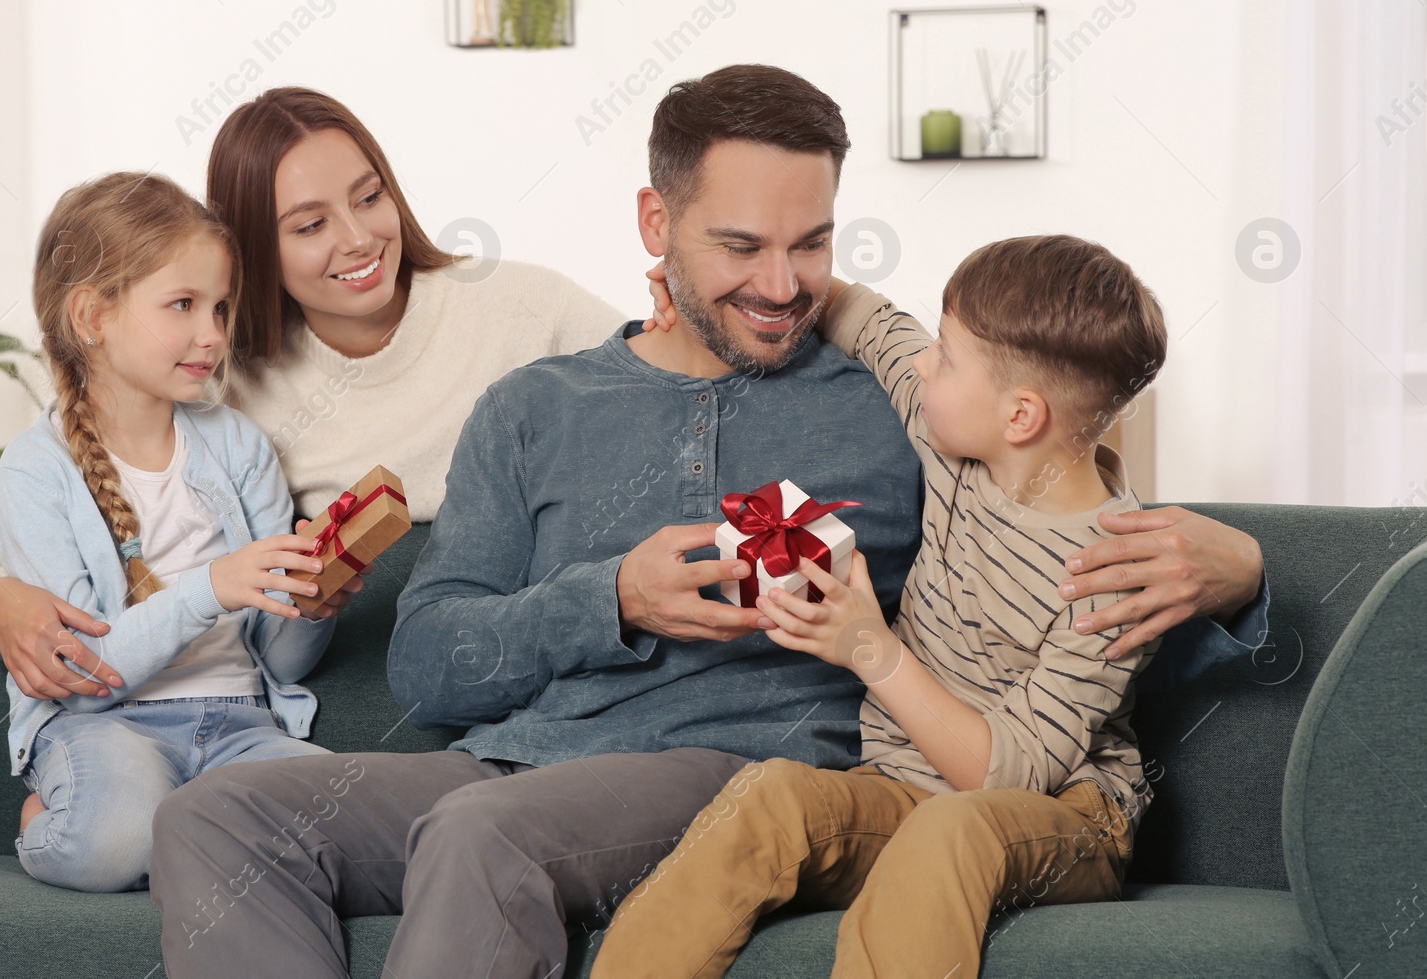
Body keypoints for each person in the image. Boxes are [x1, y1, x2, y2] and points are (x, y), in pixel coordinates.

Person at [145, 65, 1263, 978]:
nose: (784, 284)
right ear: (655, 220)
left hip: (743, 770)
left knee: (485, 836)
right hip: (510, 767)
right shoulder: (535, 406)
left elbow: (1048, 511)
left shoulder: (897, 406)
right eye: (740, 247)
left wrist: (1235, 566)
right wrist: (608, 599)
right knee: (217, 814)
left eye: (812, 243)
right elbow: (432, 665)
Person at [593, 234, 1171, 978]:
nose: (924, 359)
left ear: (1021, 416)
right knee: (770, 795)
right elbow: (859, 313)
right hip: (903, 790)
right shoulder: (952, 435)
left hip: (1064, 817)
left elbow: (1007, 775)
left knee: (951, 828)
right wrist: (707, 293)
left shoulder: (1115, 574)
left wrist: (870, 649)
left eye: (947, 354)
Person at [0, 87, 624, 702]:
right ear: (250, 251)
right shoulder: (223, 384)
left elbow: (672, 382)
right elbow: (89, 522)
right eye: (310, 226)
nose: (360, 237)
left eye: (369, 197)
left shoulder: (527, 309)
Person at [0, 172, 334, 892]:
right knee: (109, 836)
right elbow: (85, 680)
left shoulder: (237, 444)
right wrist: (210, 587)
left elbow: (286, 661)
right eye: (182, 305)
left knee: (348, 821)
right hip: (106, 727)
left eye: (220, 306)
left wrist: (314, 601)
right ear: (92, 315)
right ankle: (47, 819)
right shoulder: (35, 469)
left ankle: (186, 834)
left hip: (240, 724)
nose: (212, 334)